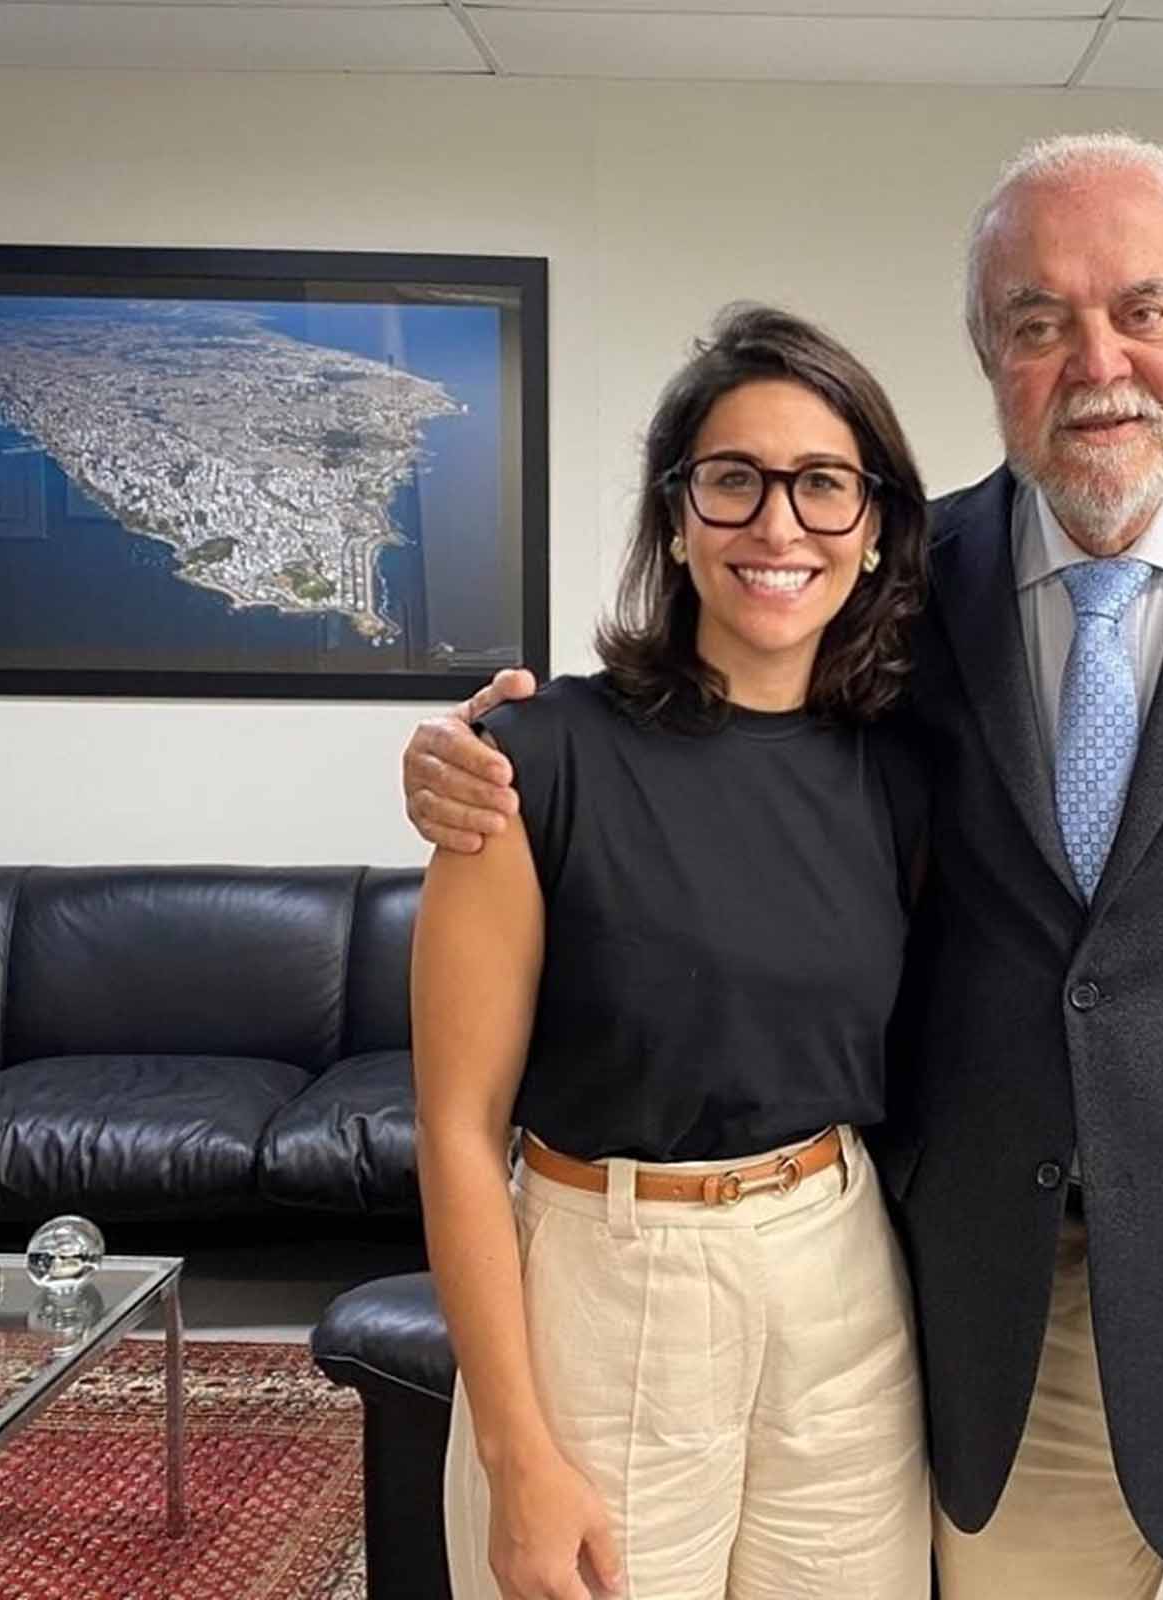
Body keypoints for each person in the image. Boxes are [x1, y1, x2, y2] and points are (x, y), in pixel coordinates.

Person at [406, 132, 1163, 1600]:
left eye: (1141, 308)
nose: (1097, 361)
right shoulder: (906, 583)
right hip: (1006, 1325)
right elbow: (710, 757)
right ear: (983, 348)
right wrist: (466, 754)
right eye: (1037, 321)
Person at [410, 303, 935, 1600]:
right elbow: (456, 1132)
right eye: (733, 480)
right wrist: (515, 1447)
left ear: (872, 529)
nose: (778, 525)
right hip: (611, 1281)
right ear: (676, 517)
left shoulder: (910, 770)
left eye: (822, 485)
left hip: (841, 1274)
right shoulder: (533, 762)